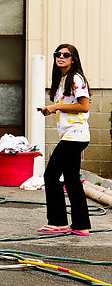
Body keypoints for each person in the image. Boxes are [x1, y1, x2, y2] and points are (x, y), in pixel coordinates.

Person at [37, 44, 92, 236]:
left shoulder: (76, 78)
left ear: (73, 59)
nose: (61, 57)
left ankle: (58, 221)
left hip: (75, 136)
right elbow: (69, 105)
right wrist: (51, 108)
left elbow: (84, 106)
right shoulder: (62, 80)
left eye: (65, 55)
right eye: (57, 55)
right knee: (71, 180)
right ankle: (81, 225)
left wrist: (56, 107)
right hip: (72, 135)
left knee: (50, 176)